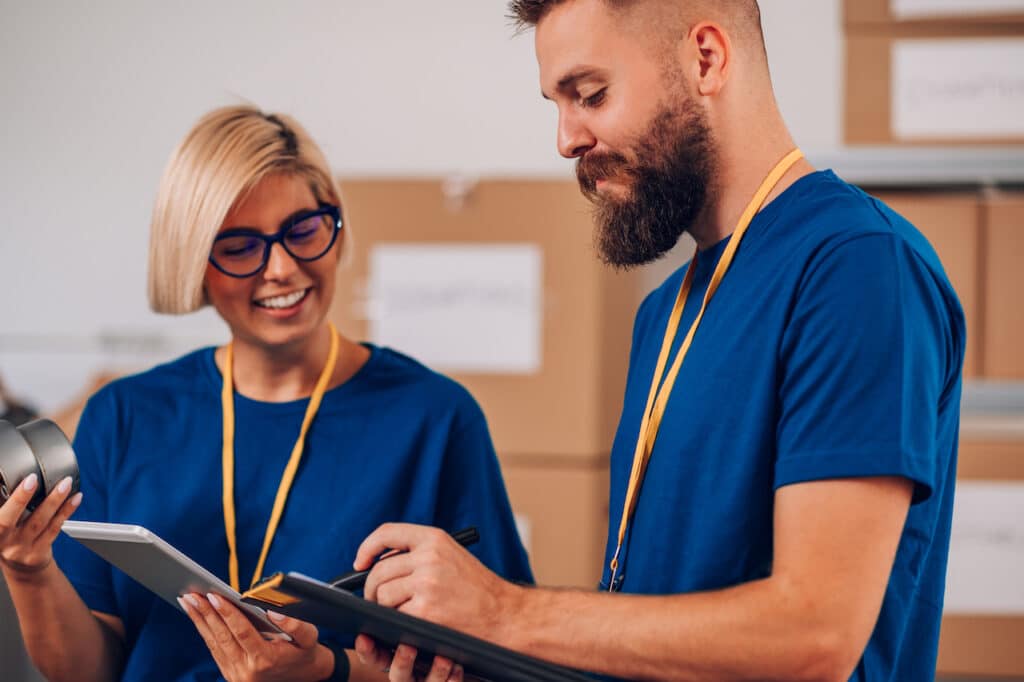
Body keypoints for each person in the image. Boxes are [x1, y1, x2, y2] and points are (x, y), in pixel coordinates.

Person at [353, 1, 965, 680]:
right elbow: (654, 634)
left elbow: (814, 634)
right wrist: (457, 647)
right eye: (556, 104)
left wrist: (505, 611)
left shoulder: (856, 266)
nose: (565, 139)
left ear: (706, 59)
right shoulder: (664, 313)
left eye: (591, 95)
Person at [0, 105, 531, 682]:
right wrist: (28, 570)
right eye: (240, 246)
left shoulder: (434, 418)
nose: (281, 268)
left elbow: (496, 665)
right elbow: (87, 671)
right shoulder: (124, 416)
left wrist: (328, 670)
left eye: (303, 231)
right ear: (194, 262)